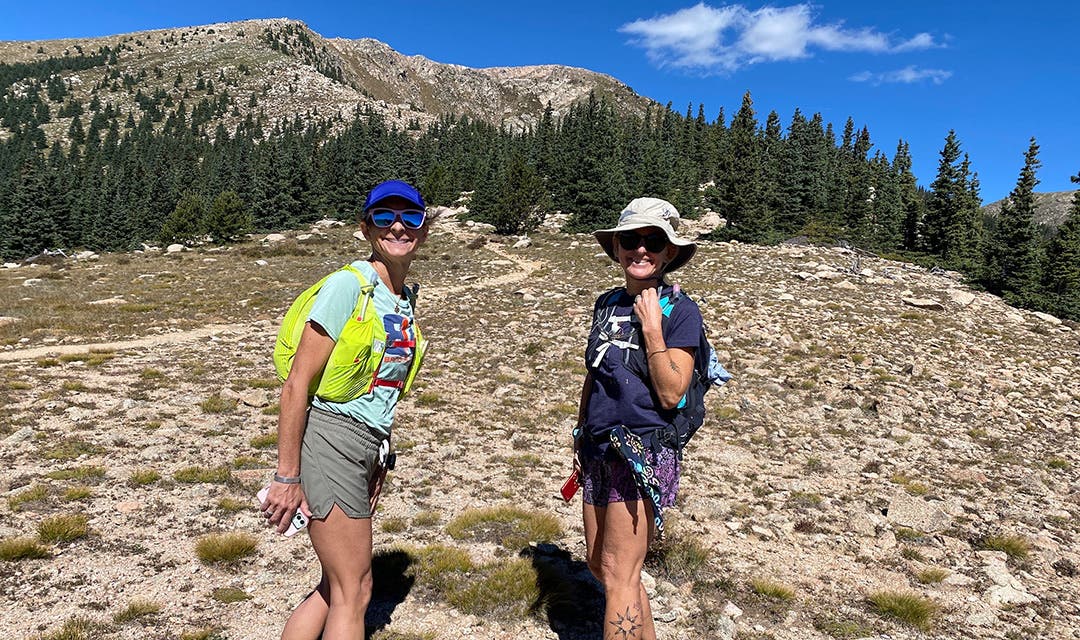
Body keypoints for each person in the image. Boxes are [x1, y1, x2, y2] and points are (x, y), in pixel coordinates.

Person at [260, 179, 432, 639]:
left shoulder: (400, 299)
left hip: (364, 447)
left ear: (424, 229)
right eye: (384, 216)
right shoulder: (346, 286)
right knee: (355, 590)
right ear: (366, 227)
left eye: (410, 217)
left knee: (335, 585)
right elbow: (297, 384)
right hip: (332, 440)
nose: (398, 226)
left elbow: (384, 392)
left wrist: (381, 457)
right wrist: (286, 476)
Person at [574, 197, 701, 640]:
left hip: (642, 450)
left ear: (669, 252)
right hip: (598, 445)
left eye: (654, 241)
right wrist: (579, 433)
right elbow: (596, 373)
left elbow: (671, 392)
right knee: (599, 563)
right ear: (617, 247)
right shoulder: (605, 303)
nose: (641, 249)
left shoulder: (680, 311)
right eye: (631, 239)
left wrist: (652, 329)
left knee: (618, 570)